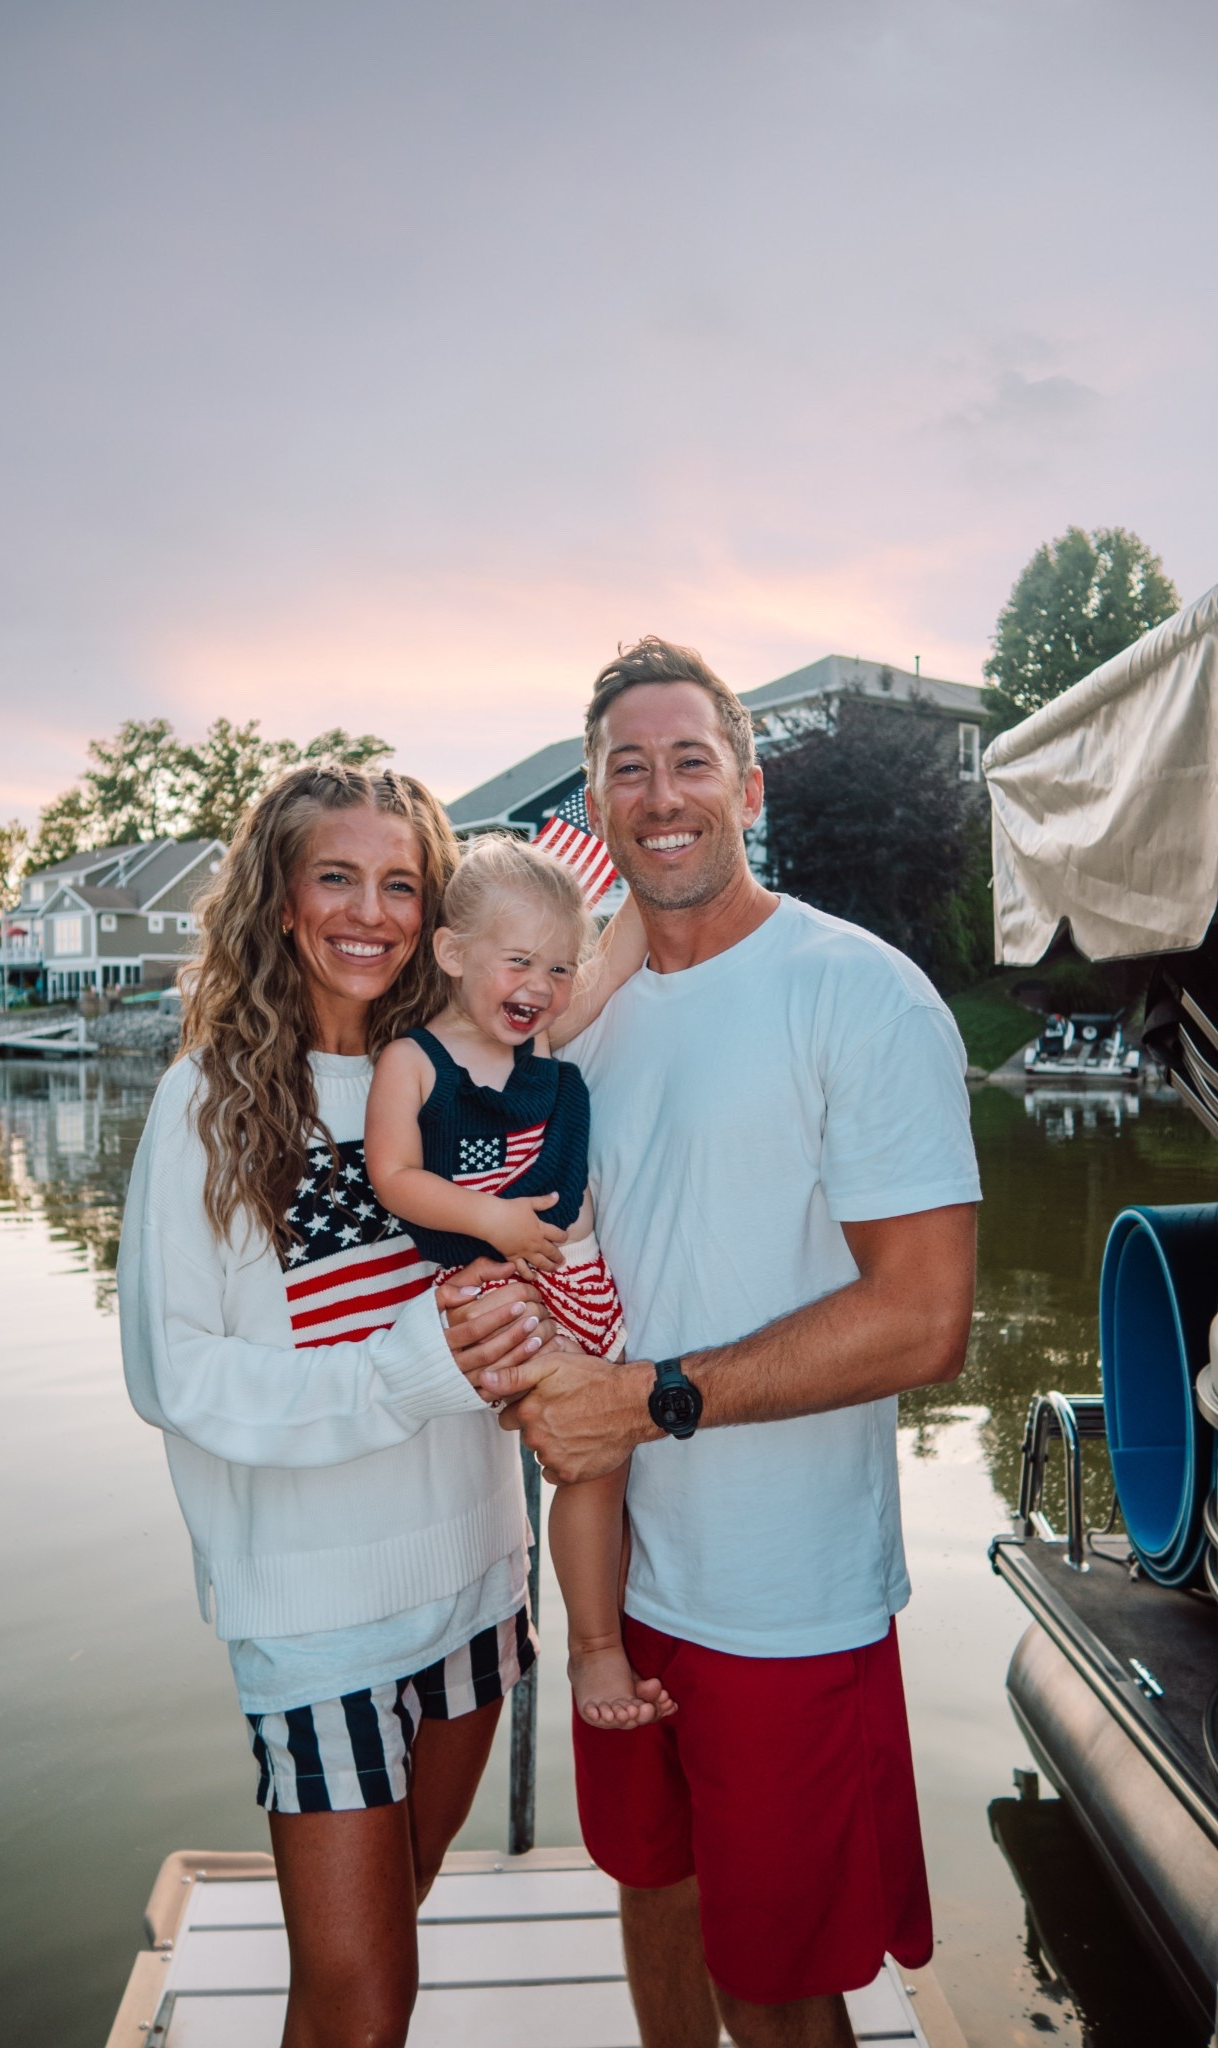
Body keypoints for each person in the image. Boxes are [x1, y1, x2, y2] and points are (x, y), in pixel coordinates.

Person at [482, 638, 982, 2048]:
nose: (659, 794)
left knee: (774, 1980)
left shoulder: (859, 992)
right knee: (649, 1887)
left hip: (780, 1591)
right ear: (591, 804)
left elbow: (924, 1319)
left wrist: (643, 1402)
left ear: (747, 784)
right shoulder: (573, 1021)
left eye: (689, 759)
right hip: (616, 1576)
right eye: (623, 769)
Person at [118, 764, 558, 2048]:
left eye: (402, 884)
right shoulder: (205, 1102)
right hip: (314, 1615)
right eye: (335, 876)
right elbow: (176, 1374)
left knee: (383, 1938)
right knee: (365, 1998)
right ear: (279, 894)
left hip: (477, 1573)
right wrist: (409, 1363)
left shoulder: (464, 1077)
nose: (370, 912)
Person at [365, 831, 673, 1730]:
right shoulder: (414, 1060)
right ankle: (594, 1650)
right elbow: (395, 1176)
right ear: (454, 955)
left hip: (578, 1275)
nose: (540, 986)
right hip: (494, 1279)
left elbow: (617, 958)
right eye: (518, 962)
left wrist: (638, 840)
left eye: (557, 969)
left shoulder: (539, 1040)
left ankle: (594, 1635)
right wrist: (491, 1217)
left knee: (601, 1457)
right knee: (575, 1441)